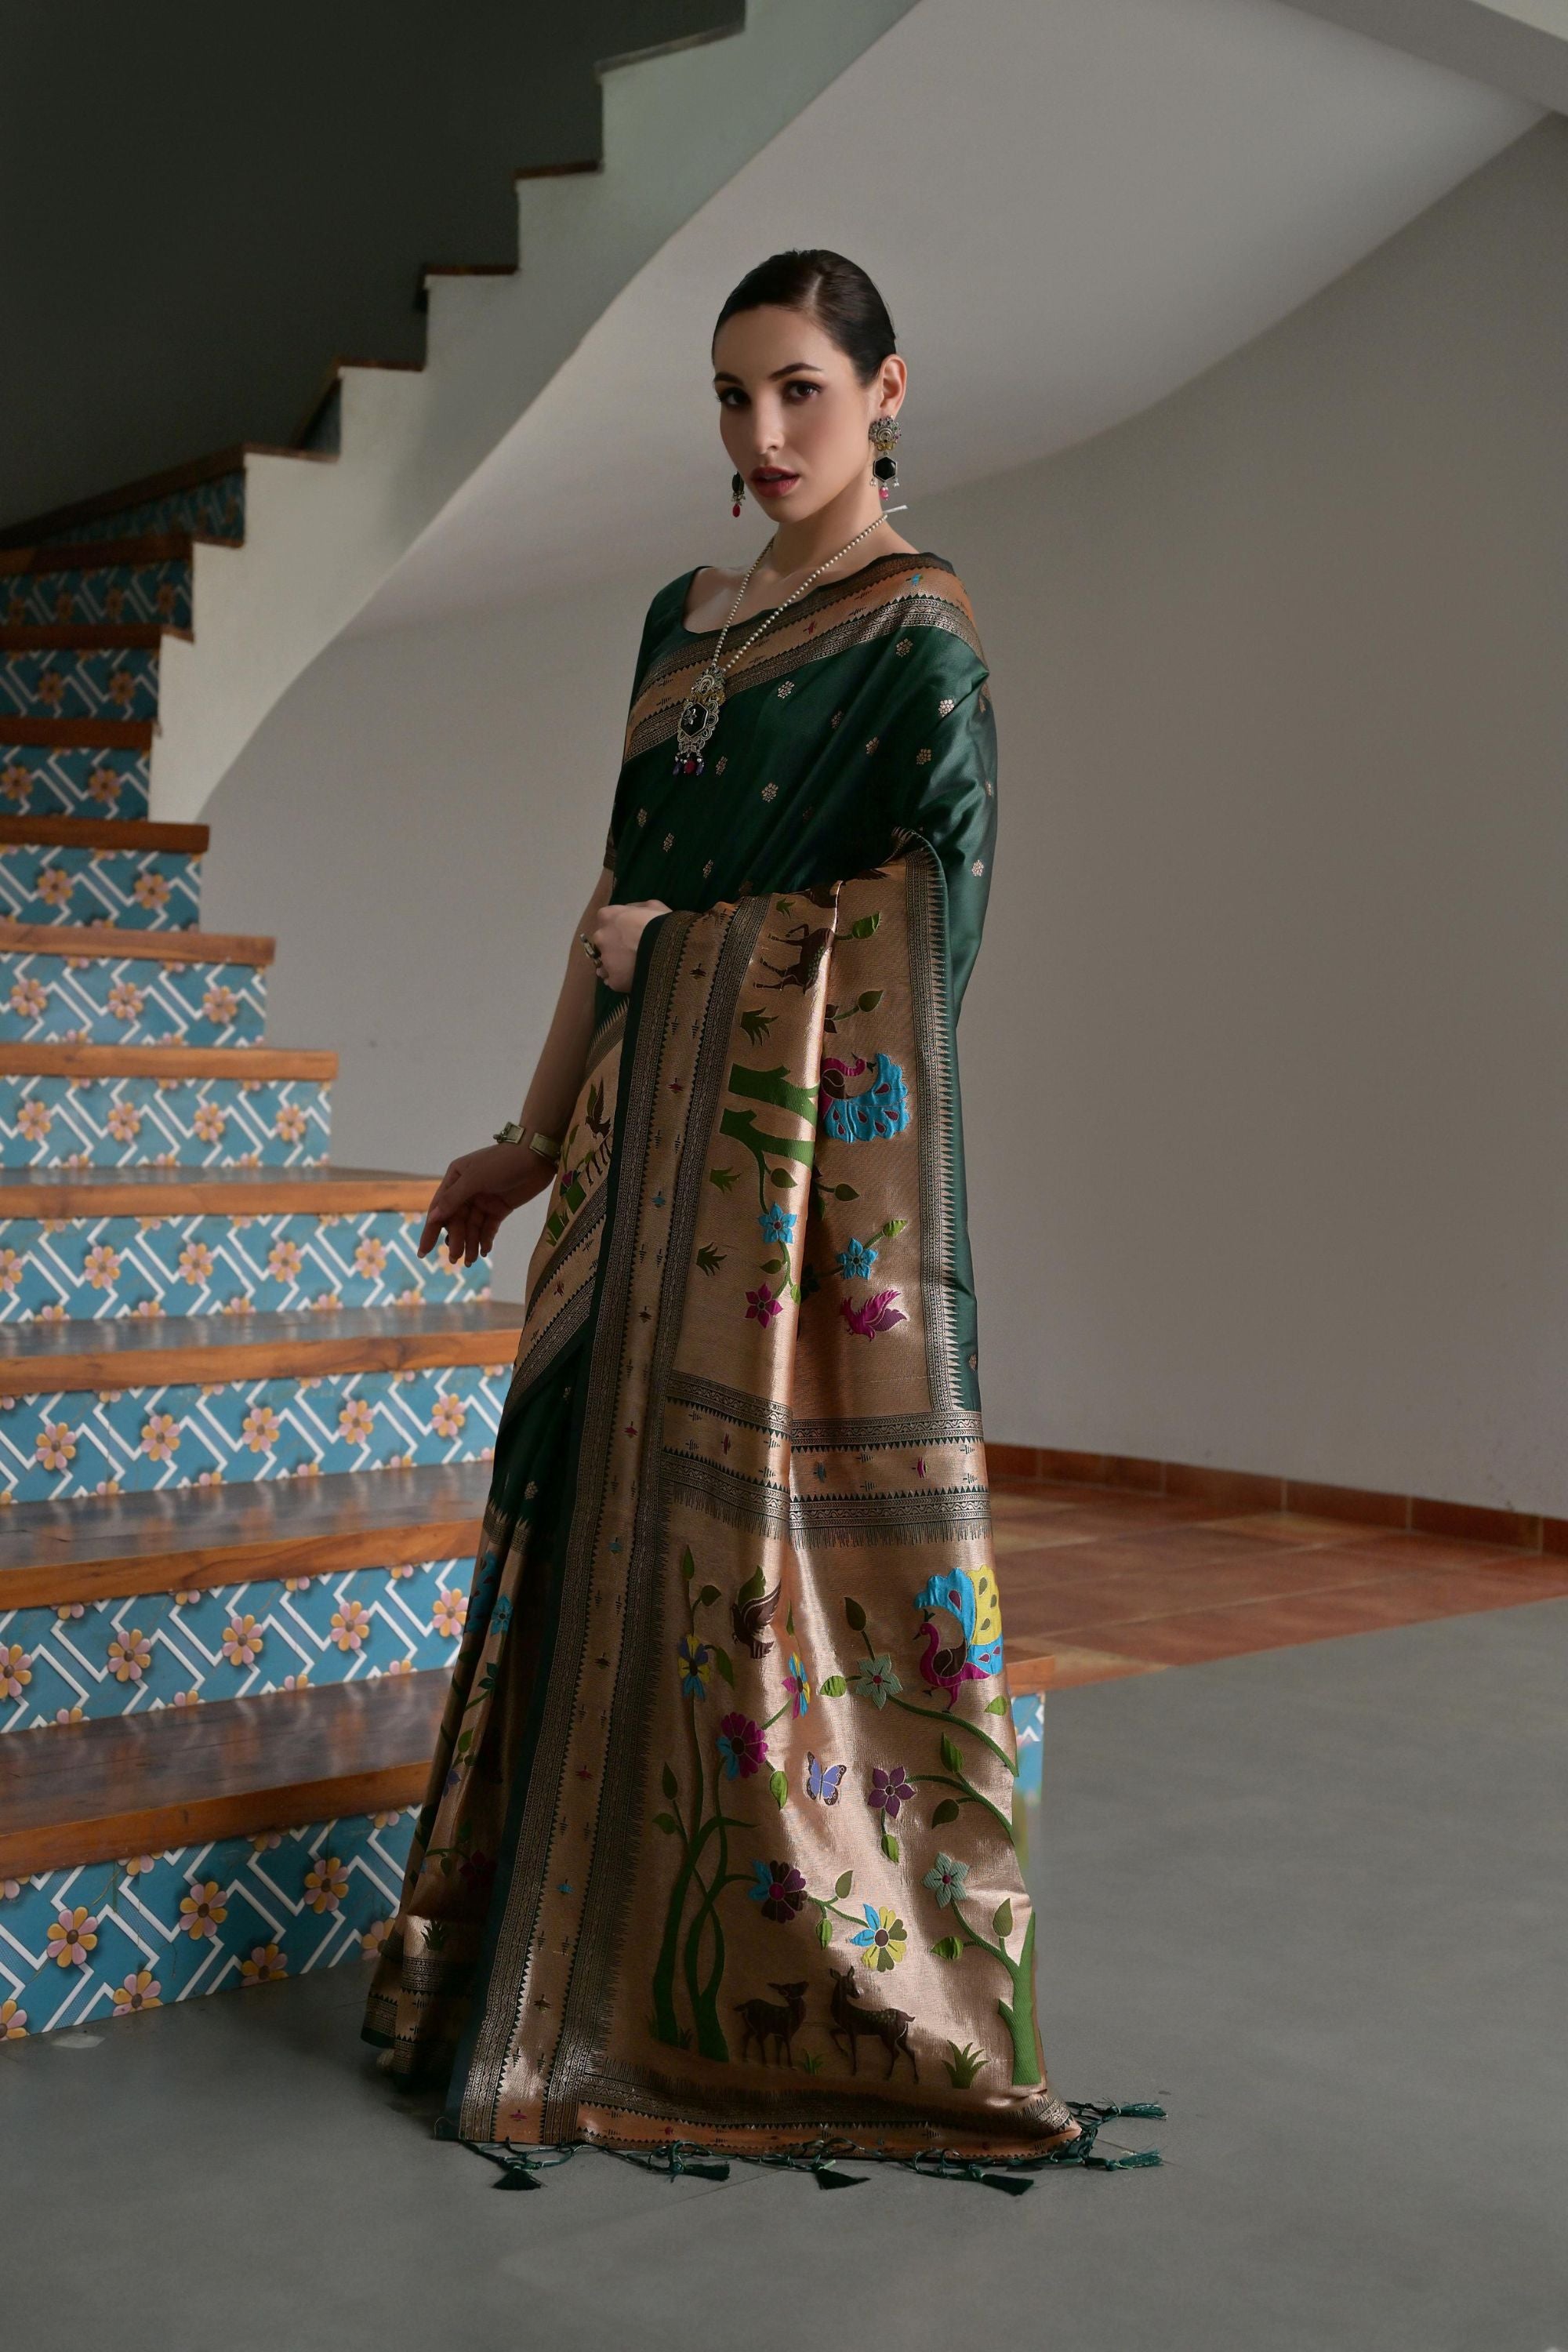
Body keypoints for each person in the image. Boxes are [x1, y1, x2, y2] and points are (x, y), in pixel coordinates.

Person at [363, 249, 1159, 2187]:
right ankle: (524, 1974)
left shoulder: (917, 635)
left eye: (800, 387)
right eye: (732, 395)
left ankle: (744, 1995)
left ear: (887, 391)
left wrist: (690, 955)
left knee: (747, 1582)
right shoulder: (682, 617)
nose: (763, 431)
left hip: (774, 1201)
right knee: (574, 1528)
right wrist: (527, 1135)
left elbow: (925, 936)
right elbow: (609, 899)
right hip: (619, 1175)